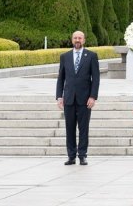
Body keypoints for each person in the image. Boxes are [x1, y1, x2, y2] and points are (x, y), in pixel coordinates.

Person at [56, 30, 100, 165]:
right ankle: (71, 156)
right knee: (69, 128)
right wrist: (59, 96)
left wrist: (93, 96)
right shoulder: (65, 56)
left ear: (84, 40)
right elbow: (61, 78)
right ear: (72, 40)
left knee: (83, 128)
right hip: (69, 98)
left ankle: (82, 155)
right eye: (75, 38)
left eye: (80, 38)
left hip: (85, 99)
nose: (77, 40)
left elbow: (96, 78)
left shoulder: (91, 56)